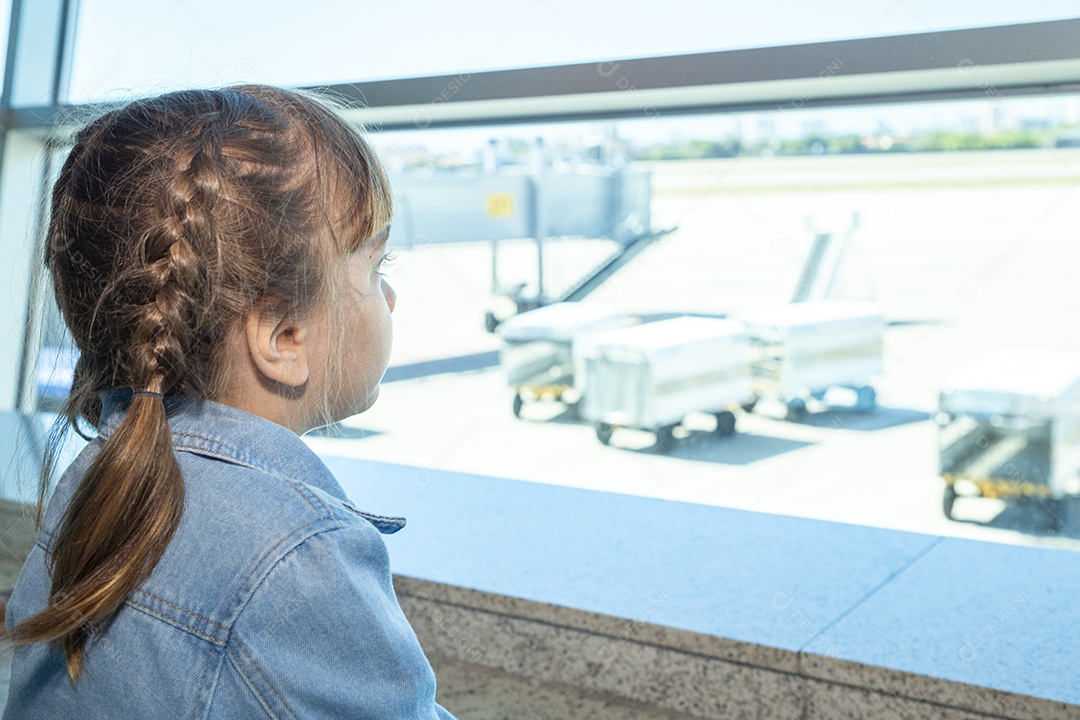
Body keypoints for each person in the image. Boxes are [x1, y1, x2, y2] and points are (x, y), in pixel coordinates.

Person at [2, 85, 457, 719]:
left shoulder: (97, 480)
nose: (391, 298)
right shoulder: (300, 558)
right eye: (377, 265)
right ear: (283, 337)